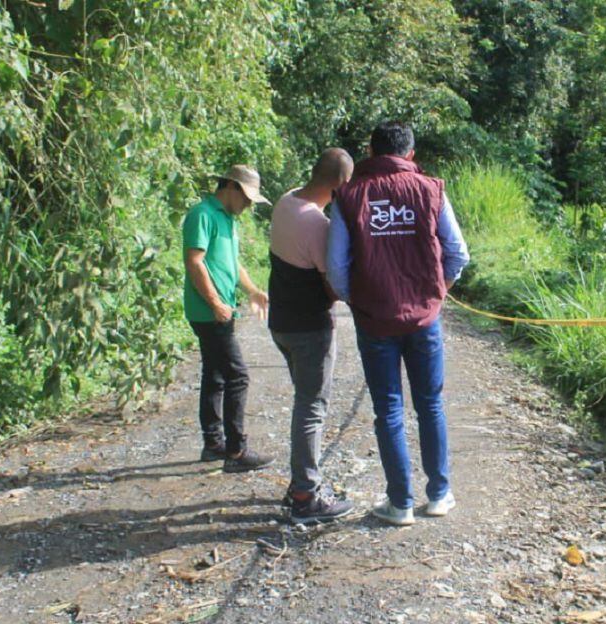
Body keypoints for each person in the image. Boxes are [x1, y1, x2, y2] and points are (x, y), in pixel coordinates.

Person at [327, 121, 470, 526]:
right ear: (410, 154)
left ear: (371, 152)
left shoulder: (349, 195)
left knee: (388, 408)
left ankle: (400, 503)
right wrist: (437, 292)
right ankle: (439, 495)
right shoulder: (430, 189)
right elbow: (457, 253)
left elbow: (337, 267)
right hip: (424, 318)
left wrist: (357, 301)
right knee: (430, 404)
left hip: (375, 320)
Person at [269, 148, 356, 524]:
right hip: (309, 328)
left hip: (281, 323)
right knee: (311, 407)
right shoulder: (316, 226)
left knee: (305, 402)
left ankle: (303, 484)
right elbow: (334, 286)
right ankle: (305, 493)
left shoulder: (286, 200)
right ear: (340, 185)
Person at [183, 164, 274, 473]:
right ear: (231, 187)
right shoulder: (203, 214)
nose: (249, 204)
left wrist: (251, 290)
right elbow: (194, 262)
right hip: (208, 312)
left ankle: (213, 444)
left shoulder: (228, 219)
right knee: (238, 376)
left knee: (216, 373)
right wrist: (215, 303)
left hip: (219, 309)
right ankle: (236, 451)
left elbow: (232, 263)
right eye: (247, 197)